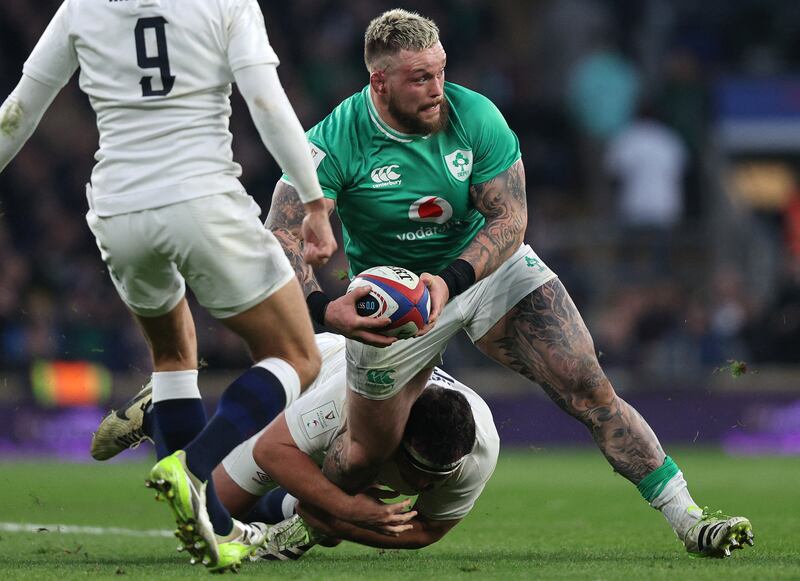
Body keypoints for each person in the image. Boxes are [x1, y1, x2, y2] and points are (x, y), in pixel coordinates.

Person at [266, 8, 754, 559]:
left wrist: (449, 282)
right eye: (419, 78)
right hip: (391, 303)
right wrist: (323, 309)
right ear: (379, 81)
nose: (437, 89)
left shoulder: (475, 115)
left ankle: (691, 520)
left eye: (441, 71)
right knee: (359, 457)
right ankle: (301, 527)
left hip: (481, 269)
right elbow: (279, 236)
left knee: (588, 385)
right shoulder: (336, 138)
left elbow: (510, 220)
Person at [0, 0, 339, 572]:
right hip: (201, 201)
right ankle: (194, 464)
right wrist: (312, 200)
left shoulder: (79, 7)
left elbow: (17, 114)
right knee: (296, 354)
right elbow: (266, 102)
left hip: (118, 211)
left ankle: (215, 527)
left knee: (174, 358)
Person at [94, 333, 498, 559]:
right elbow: (271, 450)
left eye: (437, 477)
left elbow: (428, 530)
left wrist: (338, 522)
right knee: (204, 524)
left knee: (337, 511)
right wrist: (346, 509)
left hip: (351, 444)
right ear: (399, 433)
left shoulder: (478, 450)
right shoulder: (352, 403)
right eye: (420, 472)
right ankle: (160, 409)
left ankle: (300, 520)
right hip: (311, 380)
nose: (425, 487)